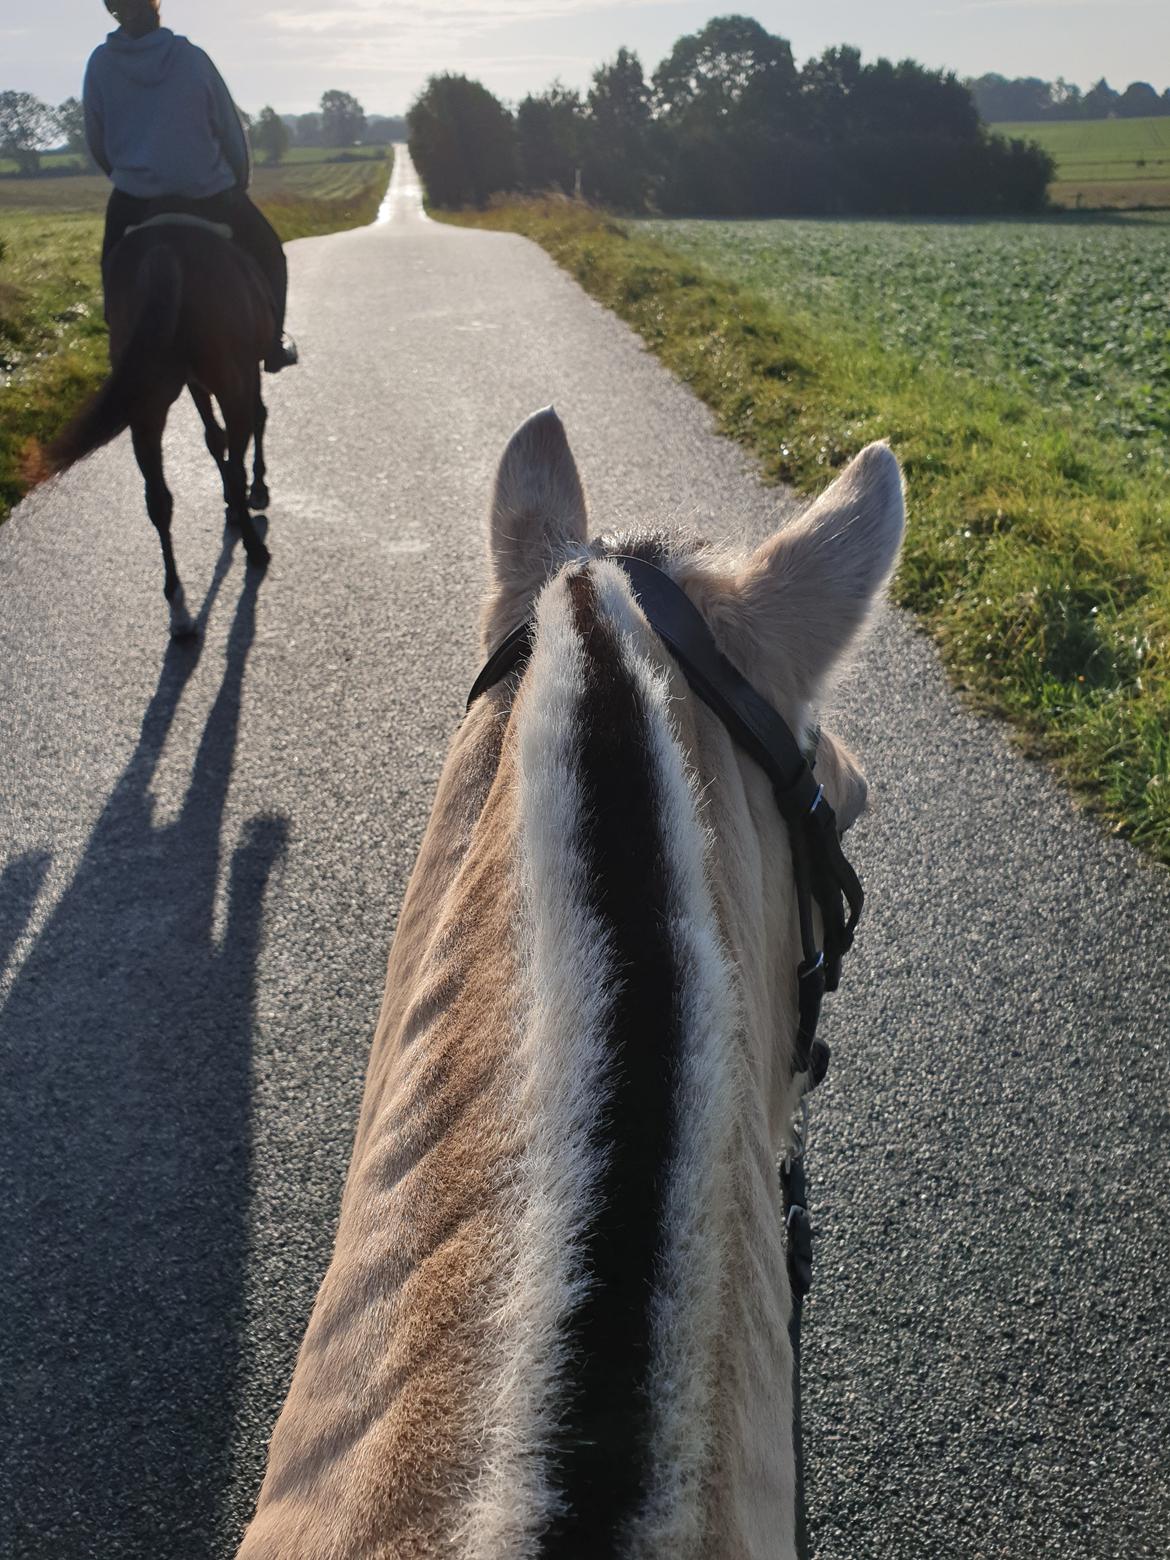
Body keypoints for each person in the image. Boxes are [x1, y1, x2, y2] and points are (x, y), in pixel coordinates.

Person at [83, 0, 297, 371]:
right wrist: (237, 184)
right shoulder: (193, 58)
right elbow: (230, 131)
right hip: (209, 193)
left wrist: (129, 176)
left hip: (136, 200)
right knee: (270, 255)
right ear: (156, 8)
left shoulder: (100, 64)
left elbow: (96, 140)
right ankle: (274, 344)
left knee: (113, 268)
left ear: (113, 10)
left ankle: (118, 344)